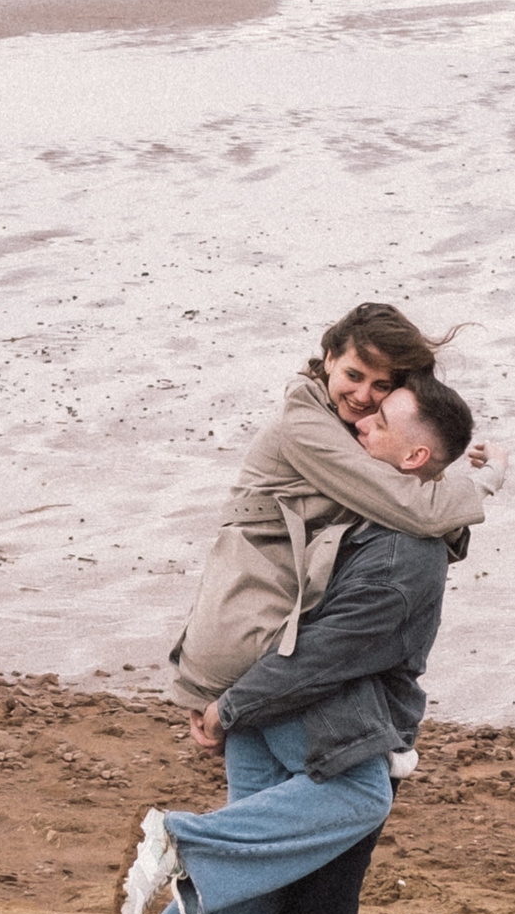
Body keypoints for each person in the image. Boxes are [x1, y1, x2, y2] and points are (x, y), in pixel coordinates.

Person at [71, 371, 473, 914]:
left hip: (341, 746)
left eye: (381, 420)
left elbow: (325, 654)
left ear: (416, 452)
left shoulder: (403, 550)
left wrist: (232, 706)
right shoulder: (369, 503)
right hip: (299, 738)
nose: (359, 427)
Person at [170, 299, 496, 713]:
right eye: (353, 375)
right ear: (329, 359)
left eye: (381, 386)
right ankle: (381, 747)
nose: (363, 397)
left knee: (415, 557)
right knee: (414, 556)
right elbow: (422, 511)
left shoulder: (356, 431)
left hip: (269, 630)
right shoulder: (305, 424)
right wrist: (490, 478)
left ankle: (384, 738)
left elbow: (421, 509)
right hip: (246, 639)